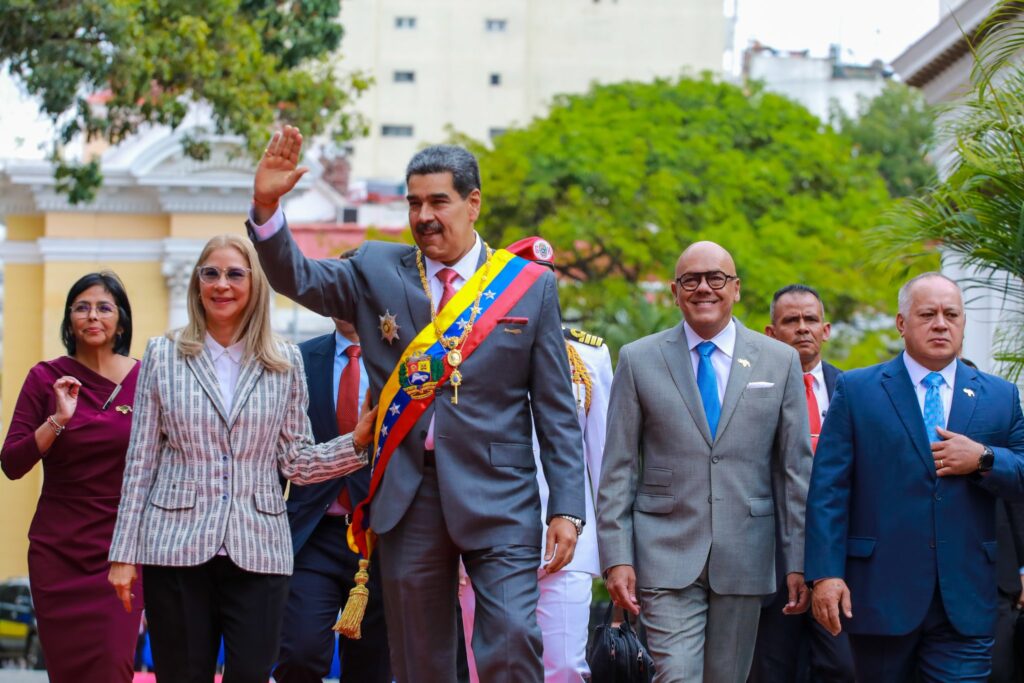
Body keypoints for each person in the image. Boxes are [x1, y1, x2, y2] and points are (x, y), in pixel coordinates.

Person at [245, 126, 585, 683]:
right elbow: (297, 277)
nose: (424, 215)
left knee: (512, 640)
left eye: (438, 202)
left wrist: (567, 508)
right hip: (408, 494)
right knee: (420, 659)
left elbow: (555, 411)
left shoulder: (528, 285)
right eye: (414, 203)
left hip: (502, 493)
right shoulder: (376, 269)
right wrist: (266, 208)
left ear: (473, 203)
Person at [106, 234, 374, 683]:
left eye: (235, 274)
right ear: (196, 284)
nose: (221, 285)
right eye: (210, 273)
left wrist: (356, 443)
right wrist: (123, 554)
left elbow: (297, 462)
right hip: (174, 547)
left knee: (250, 674)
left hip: (260, 549)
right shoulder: (162, 355)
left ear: (254, 285)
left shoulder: (284, 362)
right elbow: (141, 462)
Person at [598, 241, 813, 683]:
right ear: (676, 293)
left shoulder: (781, 360)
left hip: (747, 554)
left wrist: (798, 561)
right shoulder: (639, 360)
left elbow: (794, 473)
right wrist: (617, 558)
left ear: (735, 289)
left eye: (716, 278)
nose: (704, 288)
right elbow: (618, 468)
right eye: (690, 280)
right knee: (675, 675)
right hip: (663, 553)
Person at [805, 272, 1024, 682]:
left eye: (951, 314)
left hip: (966, 600)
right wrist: (825, 574)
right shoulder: (858, 390)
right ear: (902, 323)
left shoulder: (1000, 396)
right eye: (928, 314)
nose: (941, 323)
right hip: (880, 597)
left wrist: (985, 459)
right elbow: (828, 492)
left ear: (962, 323)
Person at [459, 237, 612, 683]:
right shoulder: (463, 348)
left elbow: (602, 457)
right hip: (485, 530)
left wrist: (614, 548)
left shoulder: (588, 354)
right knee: (484, 666)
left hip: (568, 536)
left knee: (565, 665)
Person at [1, 271, 143, 683]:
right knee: (67, 673)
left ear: (121, 319)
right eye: (81, 307)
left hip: (123, 552)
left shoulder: (147, 377)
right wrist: (58, 419)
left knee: (114, 666)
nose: (92, 316)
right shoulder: (45, 378)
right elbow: (12, 463)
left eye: (103, 307)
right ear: (69, 320)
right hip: (58, 551)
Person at [274, 295, 391, 683]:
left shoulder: (403, 362)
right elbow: (276, 448)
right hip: (312, 532)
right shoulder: (297, 359)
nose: (345, 301)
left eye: (354, 290)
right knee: (300, 654)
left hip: (381, 534)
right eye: (335, 291)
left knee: (372, 666)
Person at [752, 284, 854, 683]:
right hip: (771, 559)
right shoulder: (749, 393)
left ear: (826, 329)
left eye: (811, 319)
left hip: (836, 558)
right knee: (771, 670)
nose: (802, 328)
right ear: (770, 332)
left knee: (841, 666)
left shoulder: (854, 389)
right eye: (790, 321)